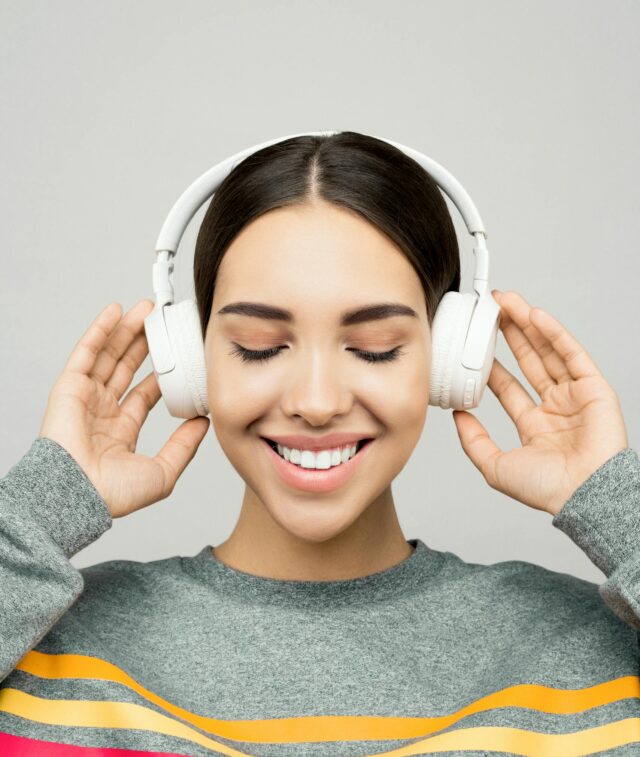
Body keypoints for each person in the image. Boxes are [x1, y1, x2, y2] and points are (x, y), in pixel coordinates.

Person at [0, 132, 638, 756]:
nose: (316, 401)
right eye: (257, 346)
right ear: (191, 363)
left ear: (450, 360)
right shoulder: (52, 644)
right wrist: (42, 506)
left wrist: (619, 508)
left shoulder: (583, 650)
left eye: (374, 349)